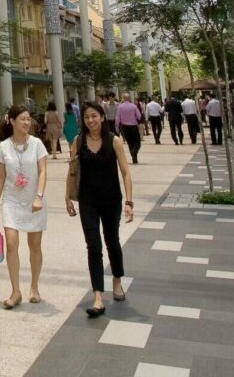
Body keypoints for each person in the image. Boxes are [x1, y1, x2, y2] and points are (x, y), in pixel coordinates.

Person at [66, 100, 133, 317]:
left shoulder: (113, 141)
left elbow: (125, 172)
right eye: (86, 117)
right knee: (93, 246)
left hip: (111, 199)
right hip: (88, 201)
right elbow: (72, 171)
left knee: (112, 241)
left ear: (102, 117)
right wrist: (67, 197)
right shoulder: (78, 141)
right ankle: (97, 296)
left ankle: (116, 280)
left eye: (94, 116)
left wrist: (129, 202)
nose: (91, 120)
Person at [0, 104, 48, 309]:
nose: (27, 122)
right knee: (11, 244)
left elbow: (43, 172)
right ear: (12, 121)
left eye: (28, 119)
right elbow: (0, 176)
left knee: (34, 245)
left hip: (34, 200)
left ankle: (34, 286)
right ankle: (15, 291)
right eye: (22, 119)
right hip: (11, 201)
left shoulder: (37, 144)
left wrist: (39, 196)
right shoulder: (4, 146)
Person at [115, 93, 142, 164]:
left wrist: (117, 126)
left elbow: (118, 117)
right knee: (137, 142)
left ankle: (134, 157)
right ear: (129, 98)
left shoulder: (120, 107)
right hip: (133, 126)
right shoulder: (133, 106)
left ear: (123, 99)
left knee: (130, 142)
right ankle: (134, 153)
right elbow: (139, 116)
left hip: (125, 127)